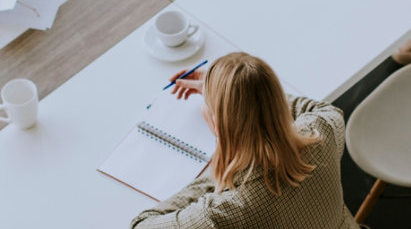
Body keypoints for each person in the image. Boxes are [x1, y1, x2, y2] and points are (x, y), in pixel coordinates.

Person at [132, 53, 358, 229]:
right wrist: (250, 96)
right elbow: (322, 108)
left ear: (220, 124)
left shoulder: (225, 213)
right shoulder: (323, 132)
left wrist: (217, 175)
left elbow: (142, 225)